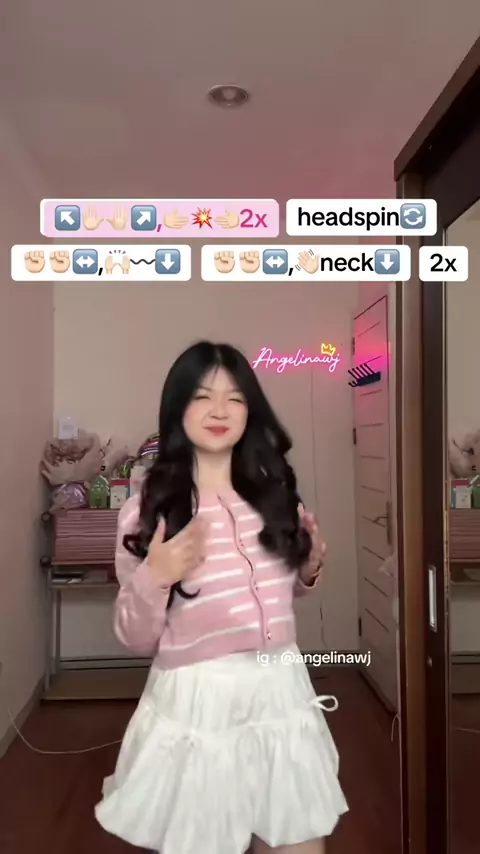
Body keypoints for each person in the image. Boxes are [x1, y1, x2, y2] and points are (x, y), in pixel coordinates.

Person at [95, 341, 348, 854]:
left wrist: (311, 569)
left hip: (280, 692)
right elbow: (135, 637)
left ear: (250, 410)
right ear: (177, 408)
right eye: (203, 396)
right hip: (197, 706)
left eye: (234, 398)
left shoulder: (274, 496)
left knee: (299, 840)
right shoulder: (148, 512)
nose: (219, 411)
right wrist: (154, 577)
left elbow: (278, 595)